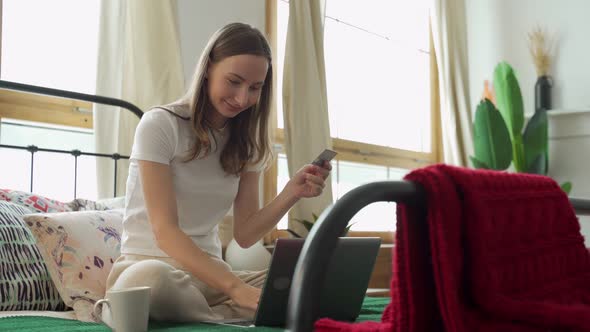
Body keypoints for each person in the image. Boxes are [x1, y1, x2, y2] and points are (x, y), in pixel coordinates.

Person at [104, 22, 332, 322]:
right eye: (234, 81)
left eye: (255, 88)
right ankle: (228, 317)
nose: (242, 98)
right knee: (151, 281)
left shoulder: (247, 142)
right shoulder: (161, 124)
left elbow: (246, 234)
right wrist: (236, 289)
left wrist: (292, 192)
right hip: (150, 270)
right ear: (209, 67)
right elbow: (165, 233)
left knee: (312, 282)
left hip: (211, 280)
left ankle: (209, 314)